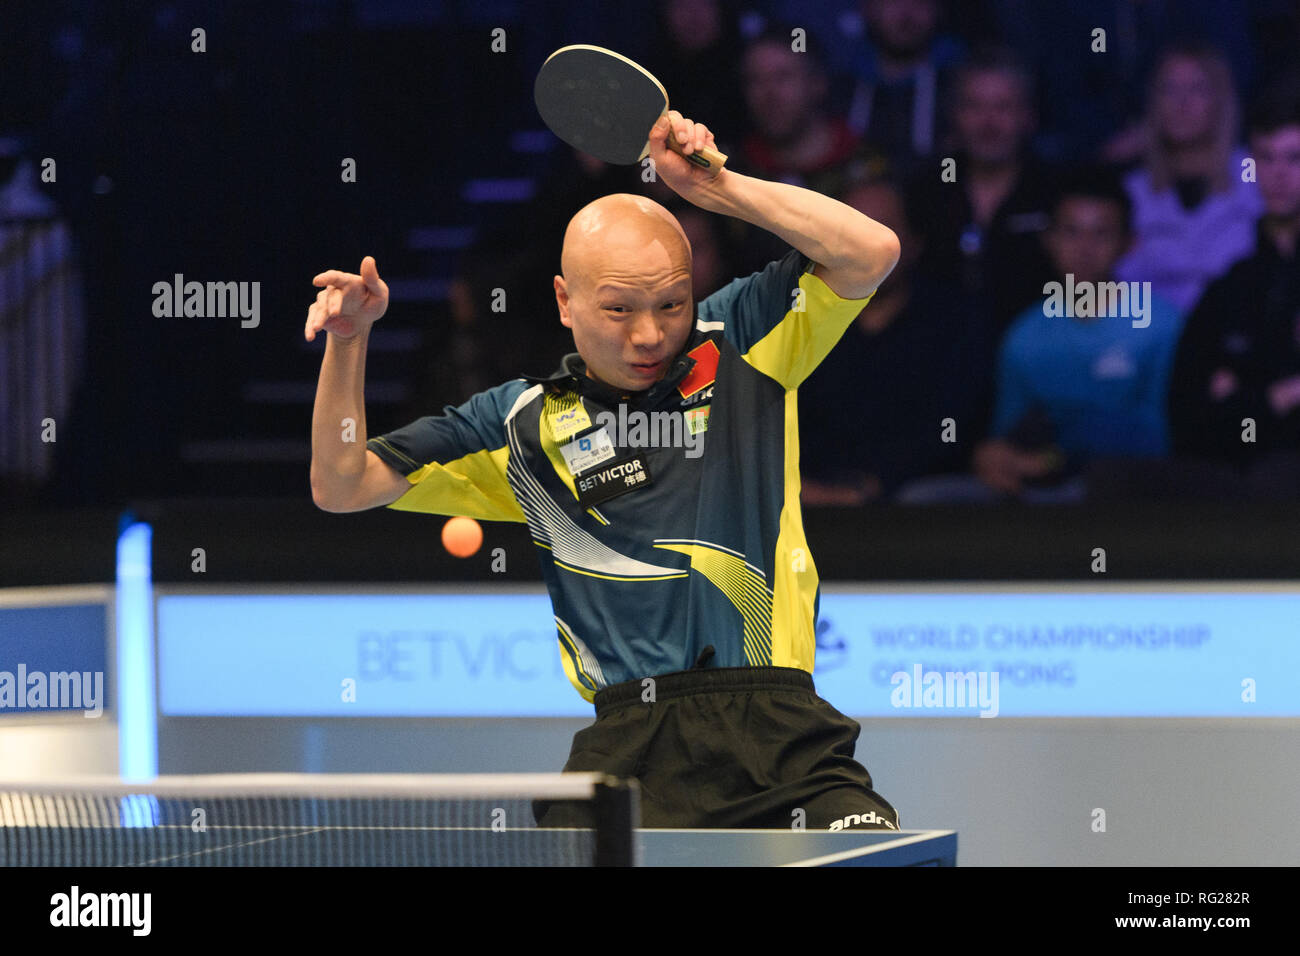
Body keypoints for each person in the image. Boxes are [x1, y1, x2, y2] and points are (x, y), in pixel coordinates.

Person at [307, 109, 904, 830]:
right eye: (619, 309)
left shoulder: (744, 341)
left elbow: (872, 251)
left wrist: (722, 190)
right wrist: (349, 343)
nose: (649, 334)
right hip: (632, 752)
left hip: (782, 733)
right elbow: (340, 484)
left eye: (671, 304)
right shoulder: (519, 424)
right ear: (565, 301)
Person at [799, 175, 993, 505]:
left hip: (918, 512)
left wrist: (868, 489)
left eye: (880, 229)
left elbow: (952, 432)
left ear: (914, 241)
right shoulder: (798, 325)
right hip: (808, 505)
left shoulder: (954, 324)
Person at [1166, 88, 1300, 497]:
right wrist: (1282, 395)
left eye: (1295, 159)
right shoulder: (1230, 288)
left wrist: (1241, 395)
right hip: (1239, 500)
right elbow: (1187, 424)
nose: (1278, 173)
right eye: (1265, 157)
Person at [908, 47, 1057, 342]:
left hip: (1035, 352)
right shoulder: (925, 190)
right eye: (973, 106)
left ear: (1028, 116)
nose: (988, 122)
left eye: (1003, 107)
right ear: (955, 115)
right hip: (934, 356)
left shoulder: (1055, 192)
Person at [1113, 42, 1263, 315]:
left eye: (1197, 89)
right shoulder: (1132, 190)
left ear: (1220, 100)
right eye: (1169, 89)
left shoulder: (1253, 172)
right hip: (1155, 341)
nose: (1182, 104)